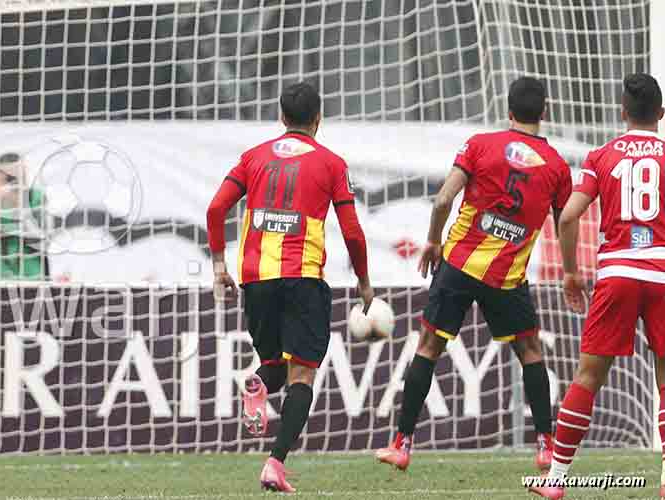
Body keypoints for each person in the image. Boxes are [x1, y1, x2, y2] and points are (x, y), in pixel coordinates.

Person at [376, 77, 570, 473]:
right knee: (530, 352)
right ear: (545, 112)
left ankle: (402, 444)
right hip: (507, 276)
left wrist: (433, 241)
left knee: (428, 347)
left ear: (508, 111)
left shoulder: (480, 144)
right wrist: (572, 272)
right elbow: (565, 221)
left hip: (459, 265)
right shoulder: (556, 166)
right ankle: (546, 446)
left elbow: (443, 199)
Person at [204, 82, 373, 493]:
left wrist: (219, 266)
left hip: (257, 278)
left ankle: (258, 385)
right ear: (318, 118)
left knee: (275, 366)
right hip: (302, 277)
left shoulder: (253, 157)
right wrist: (363, 279)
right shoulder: (331, 163)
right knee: (302, 374)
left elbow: (216, 208)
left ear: (281, 117)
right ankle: (275, 463)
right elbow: (352, 231)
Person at [530, 74, 665, 500]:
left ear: (622, 112)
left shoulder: (602, 156)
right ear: (661, 114)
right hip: (662, 273)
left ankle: (556, 480)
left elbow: (569, 216)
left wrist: (571, 272)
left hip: (617, 274)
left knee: (587, 377)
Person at [0, 152, 49, 280]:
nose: (12, 183)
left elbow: (44, 243)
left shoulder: (36, 198)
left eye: (16, 177)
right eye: (7, 177)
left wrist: (22, 209)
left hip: (31, 277)